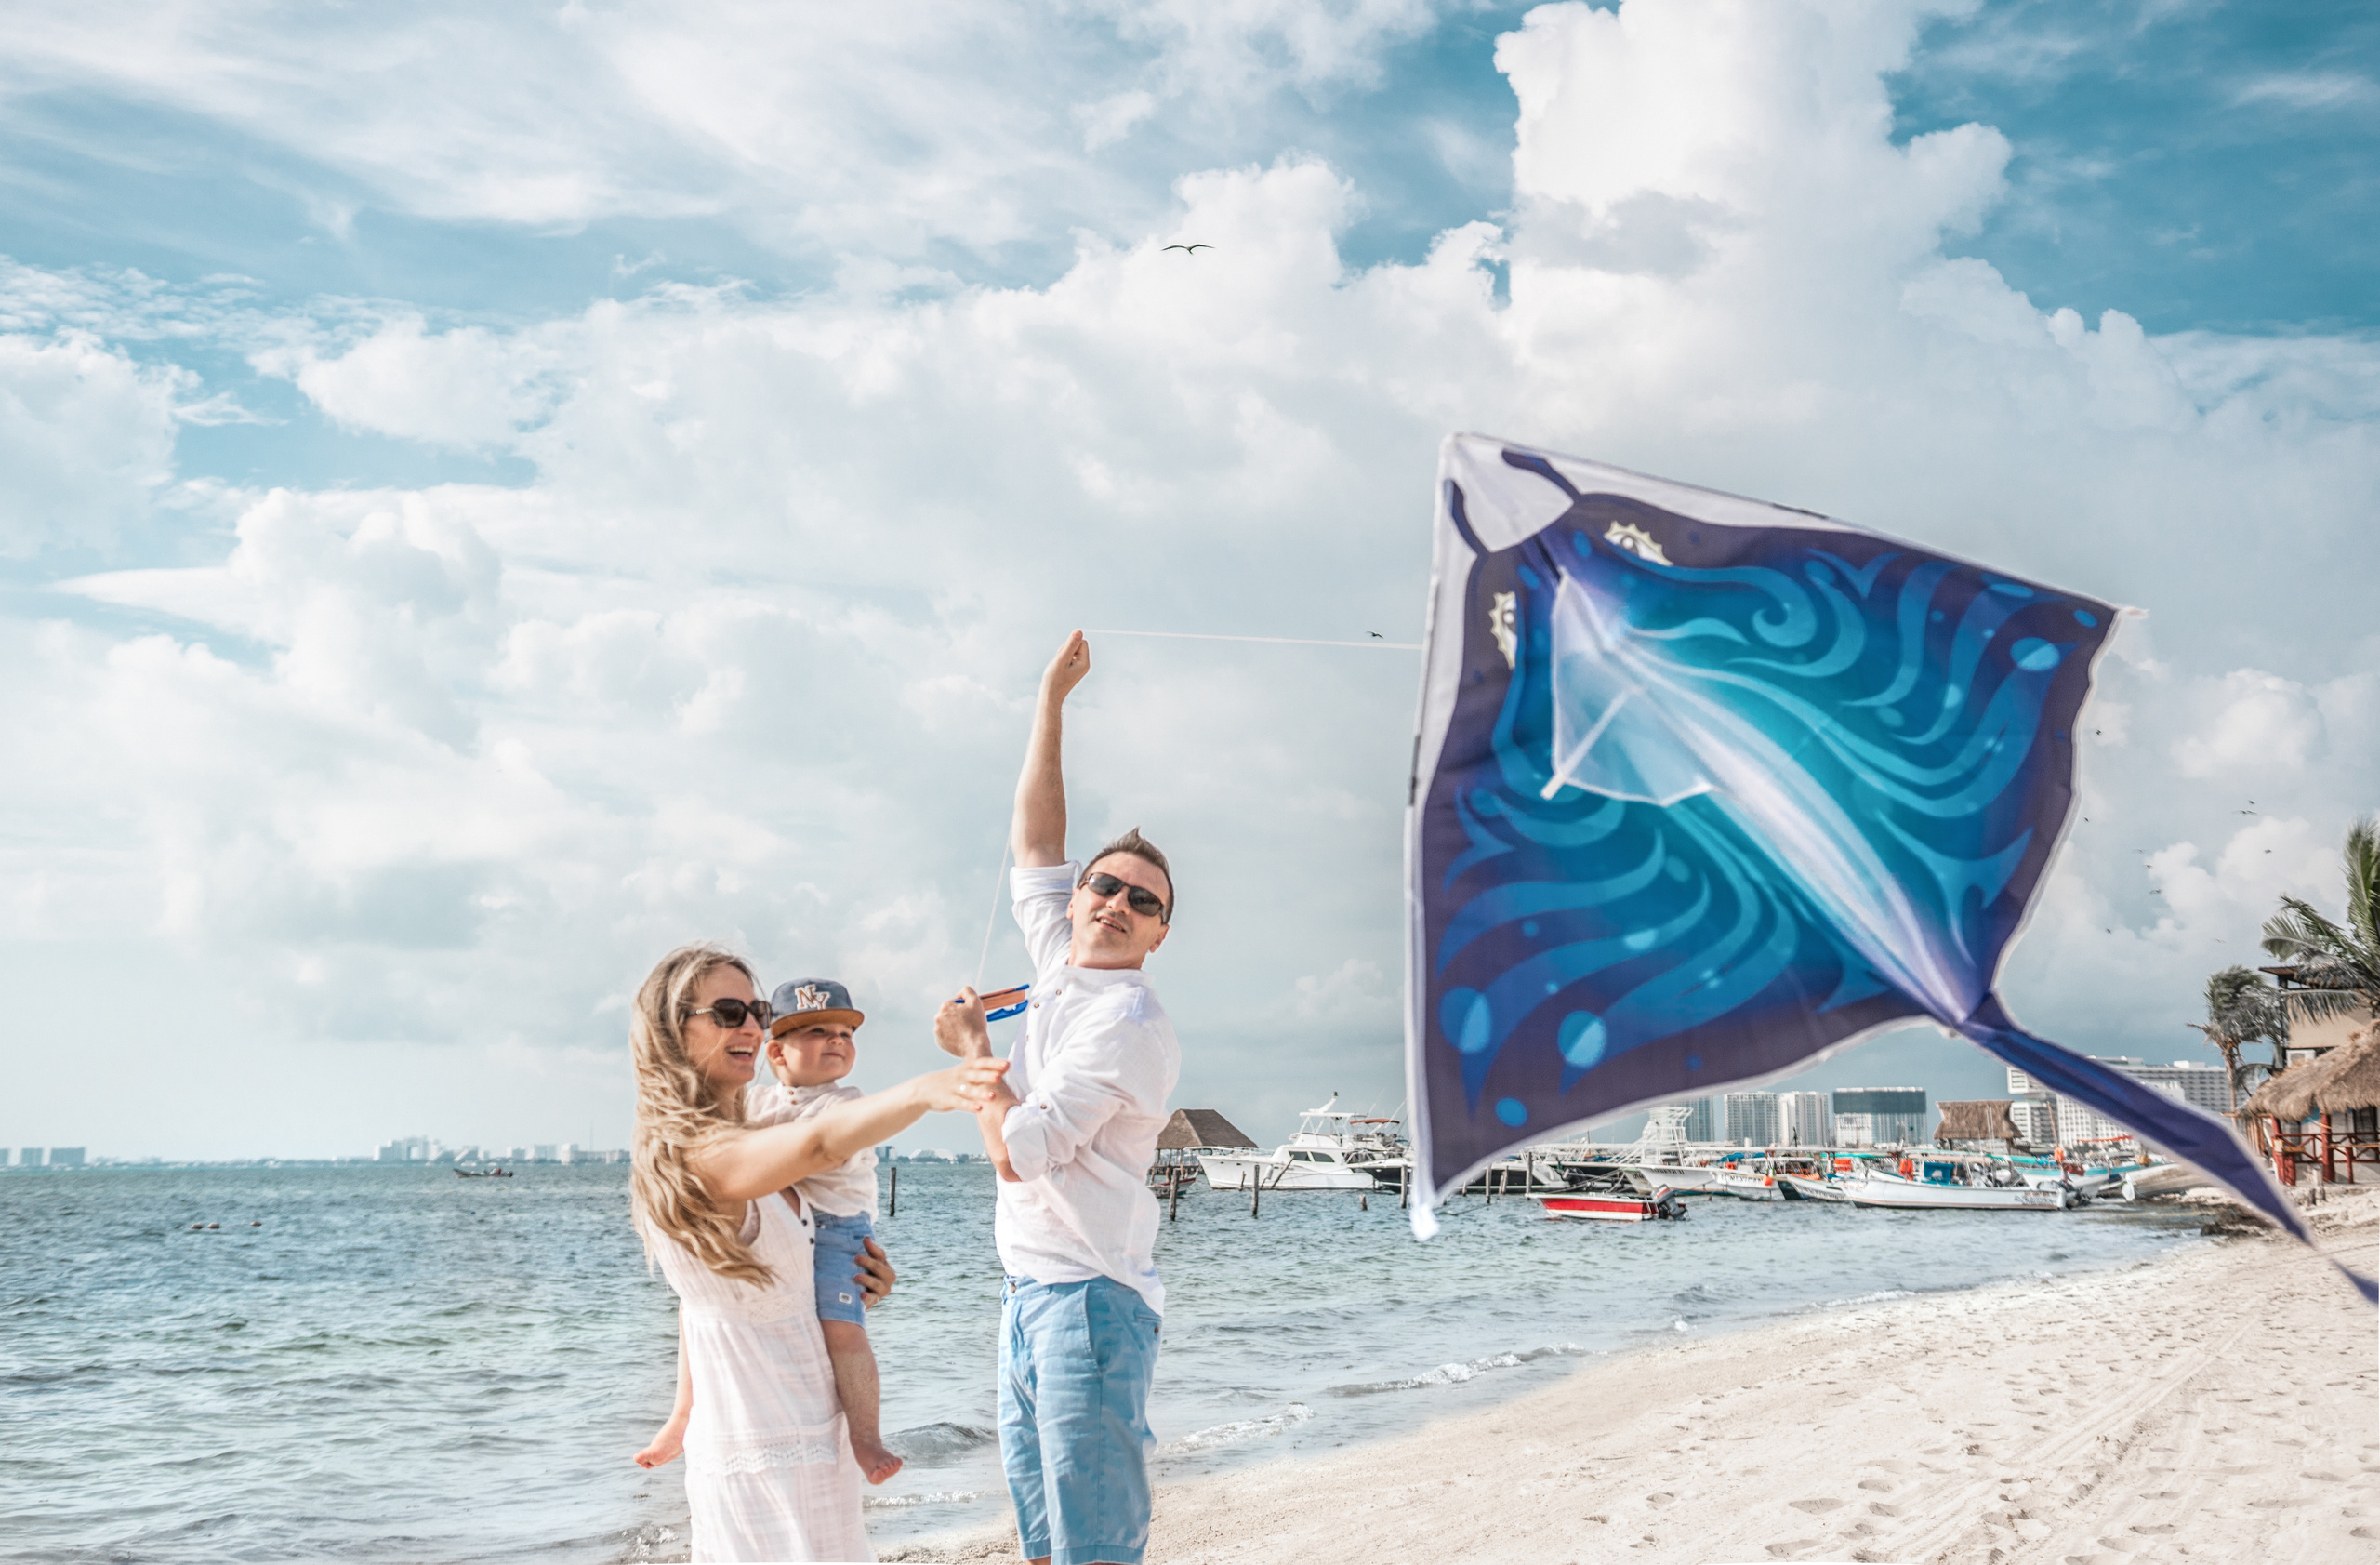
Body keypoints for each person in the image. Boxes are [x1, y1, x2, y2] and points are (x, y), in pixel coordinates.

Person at [628, 944, 1006, 1563]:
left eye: (753, 1008)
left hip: (813, 1440)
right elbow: (821, 1142)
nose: (750, 1023)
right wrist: (925, 1090)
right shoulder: (694, 1153)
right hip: (761, 1453)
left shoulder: (749, 1133)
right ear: (673, 1030)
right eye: (727, 1011)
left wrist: (862, 1283)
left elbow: (734, 1288)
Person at [935, 630, 1182, 1565]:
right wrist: (1050, 700)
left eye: (1143, 901)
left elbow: (1018, 1151)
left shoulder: (1124, 1019)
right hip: (1028, 1288)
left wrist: (974, 1056)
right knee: (1041, 1538)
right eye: (1104, 886)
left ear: (1158, 934)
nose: (1116, 902)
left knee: (1093, 1547)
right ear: (1078, 899)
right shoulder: (1054, 961)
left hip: (1092, 1300)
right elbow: (1036, 838)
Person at [746, 976, 902, 1485]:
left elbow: (814, 1150)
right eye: (816, 1031)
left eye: (845, 1032)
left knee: (842, 1328)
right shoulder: (757, 1105)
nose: (836, 1040)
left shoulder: (846, 1105)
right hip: (785, 1230)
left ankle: (866, 1435)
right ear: (776, 1053)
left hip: (837, 1231)